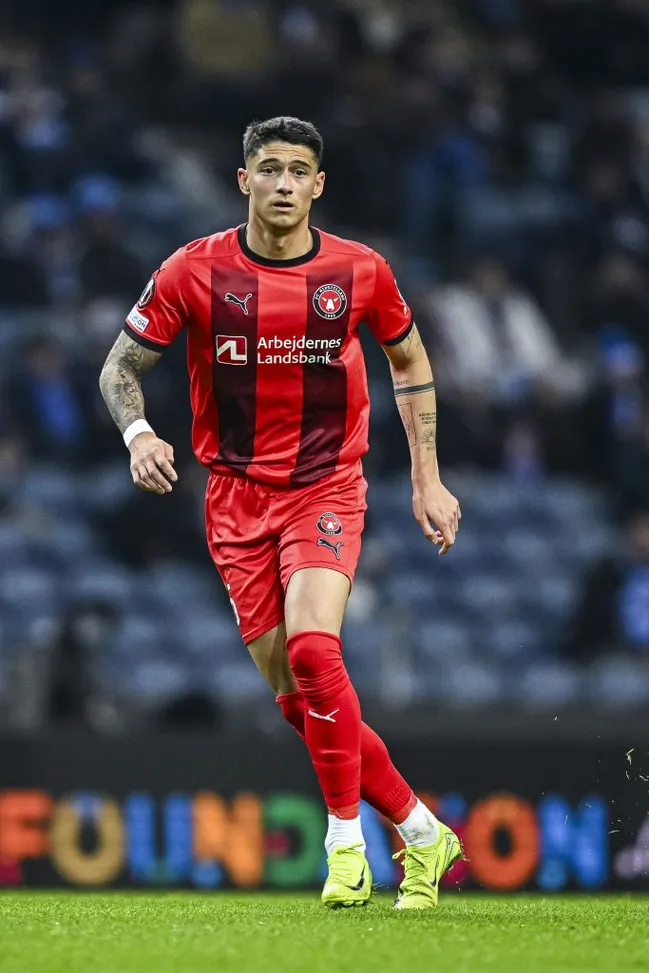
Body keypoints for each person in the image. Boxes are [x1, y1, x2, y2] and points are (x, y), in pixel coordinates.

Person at [99, 116, 461, 910]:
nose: (285, 183)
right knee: (301, 705)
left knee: (312, 649)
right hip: (233, 498)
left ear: (318, 185)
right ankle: (423, 830)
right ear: (245, 181)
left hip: (325, 484)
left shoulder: (359, 270)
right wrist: (138, 432)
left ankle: (344, 846)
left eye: (299, 170)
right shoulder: (193, 271)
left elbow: (409, 360)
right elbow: (120, 366)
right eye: (270, 168)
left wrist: (426, 480)